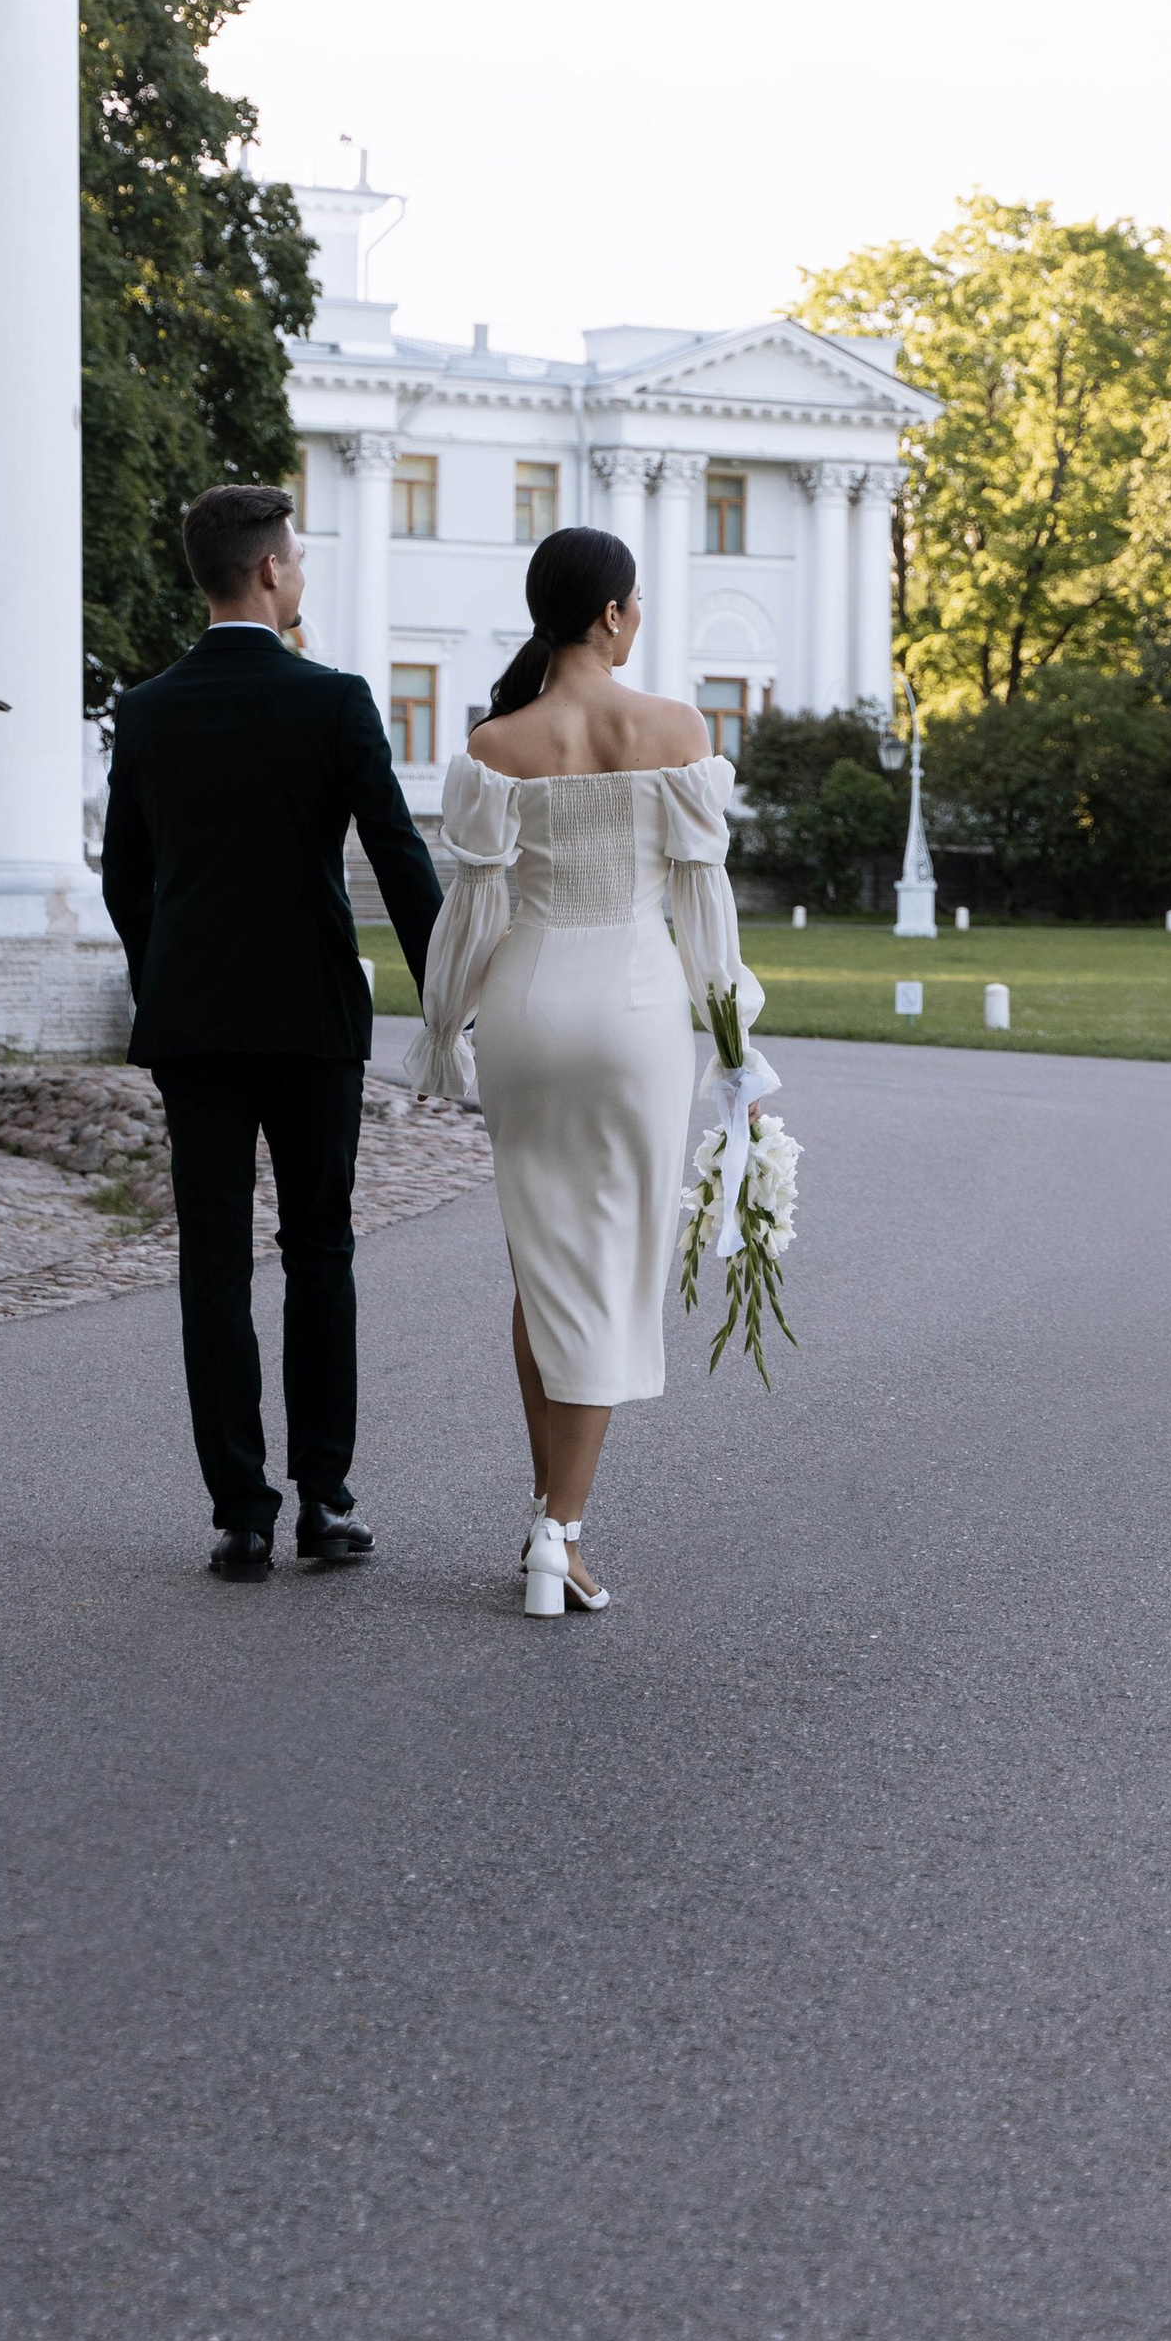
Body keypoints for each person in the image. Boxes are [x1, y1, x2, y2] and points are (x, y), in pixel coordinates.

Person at [409, 524, 773, 1615]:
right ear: (612, 612)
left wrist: (443, 1028)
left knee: (544, 1266)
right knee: (609, 1270)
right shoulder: (674, 729)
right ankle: (558, 1530)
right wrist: (735, 1046)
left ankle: (547, 1520)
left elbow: (470, 916)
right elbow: (704, 910)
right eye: (637, 600)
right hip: (635, 1010)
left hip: (525, 1008)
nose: (640, 616)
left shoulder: (493, 745)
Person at [102, 483, 447, 1581]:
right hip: (310, 1017)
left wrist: (164, 977)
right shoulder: (335, 701)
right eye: (295, 558)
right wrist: (450, 991)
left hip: (194, 1021)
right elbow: (398, 857)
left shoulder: (146, 711)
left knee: (212, 1261)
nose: (300, 574)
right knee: (319, 1251)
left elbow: (124, 882)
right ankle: (325, 1502)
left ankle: (240, 1515)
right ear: (267, 570)